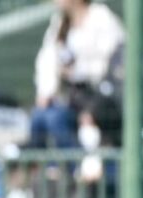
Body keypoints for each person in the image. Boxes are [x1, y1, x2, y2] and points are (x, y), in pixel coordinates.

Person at [30, 0, 124, 149]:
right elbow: (47, 60)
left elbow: (113, 63)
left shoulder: (101, 17)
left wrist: (77, 72)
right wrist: (45, 92)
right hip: (71, 99)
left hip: (100, 98)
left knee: (56, 118)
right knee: (40, 116)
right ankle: (41, 168)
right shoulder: (59, 22)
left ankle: (77, 167)